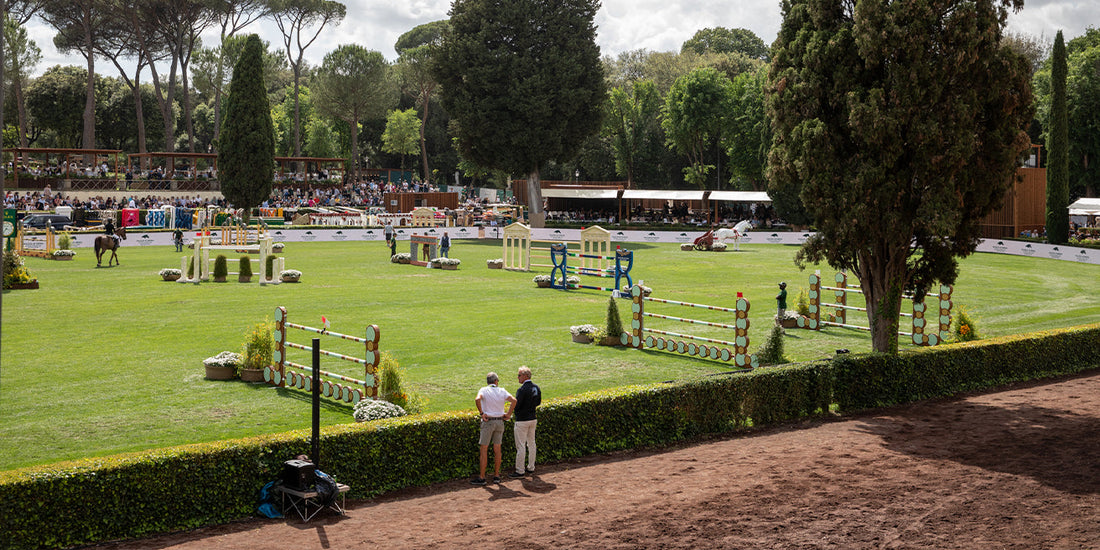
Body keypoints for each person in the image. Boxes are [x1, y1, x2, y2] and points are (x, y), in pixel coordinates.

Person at [472, 372, 516, 485]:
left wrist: (482, 413)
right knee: (497, 450)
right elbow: (514, 400)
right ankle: (496, 476)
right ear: (496, 381)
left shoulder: (484, 390)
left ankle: (482, 477)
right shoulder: (502, 390)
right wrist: (508, 414)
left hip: (488, 422)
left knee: (484, 450)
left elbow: (477, 399)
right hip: (500, 422)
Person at [509, 366, 541, 478]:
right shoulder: (536, 387)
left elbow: (517, 405)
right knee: (531, 443)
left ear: (525, 376)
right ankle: (531, 467)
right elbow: (538, 402)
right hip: (533, 418)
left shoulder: (522, 390)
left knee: (521, 445)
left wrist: (515, 412)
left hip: (522, 420)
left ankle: (520, 470)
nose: (517, 377)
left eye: (519, 375)